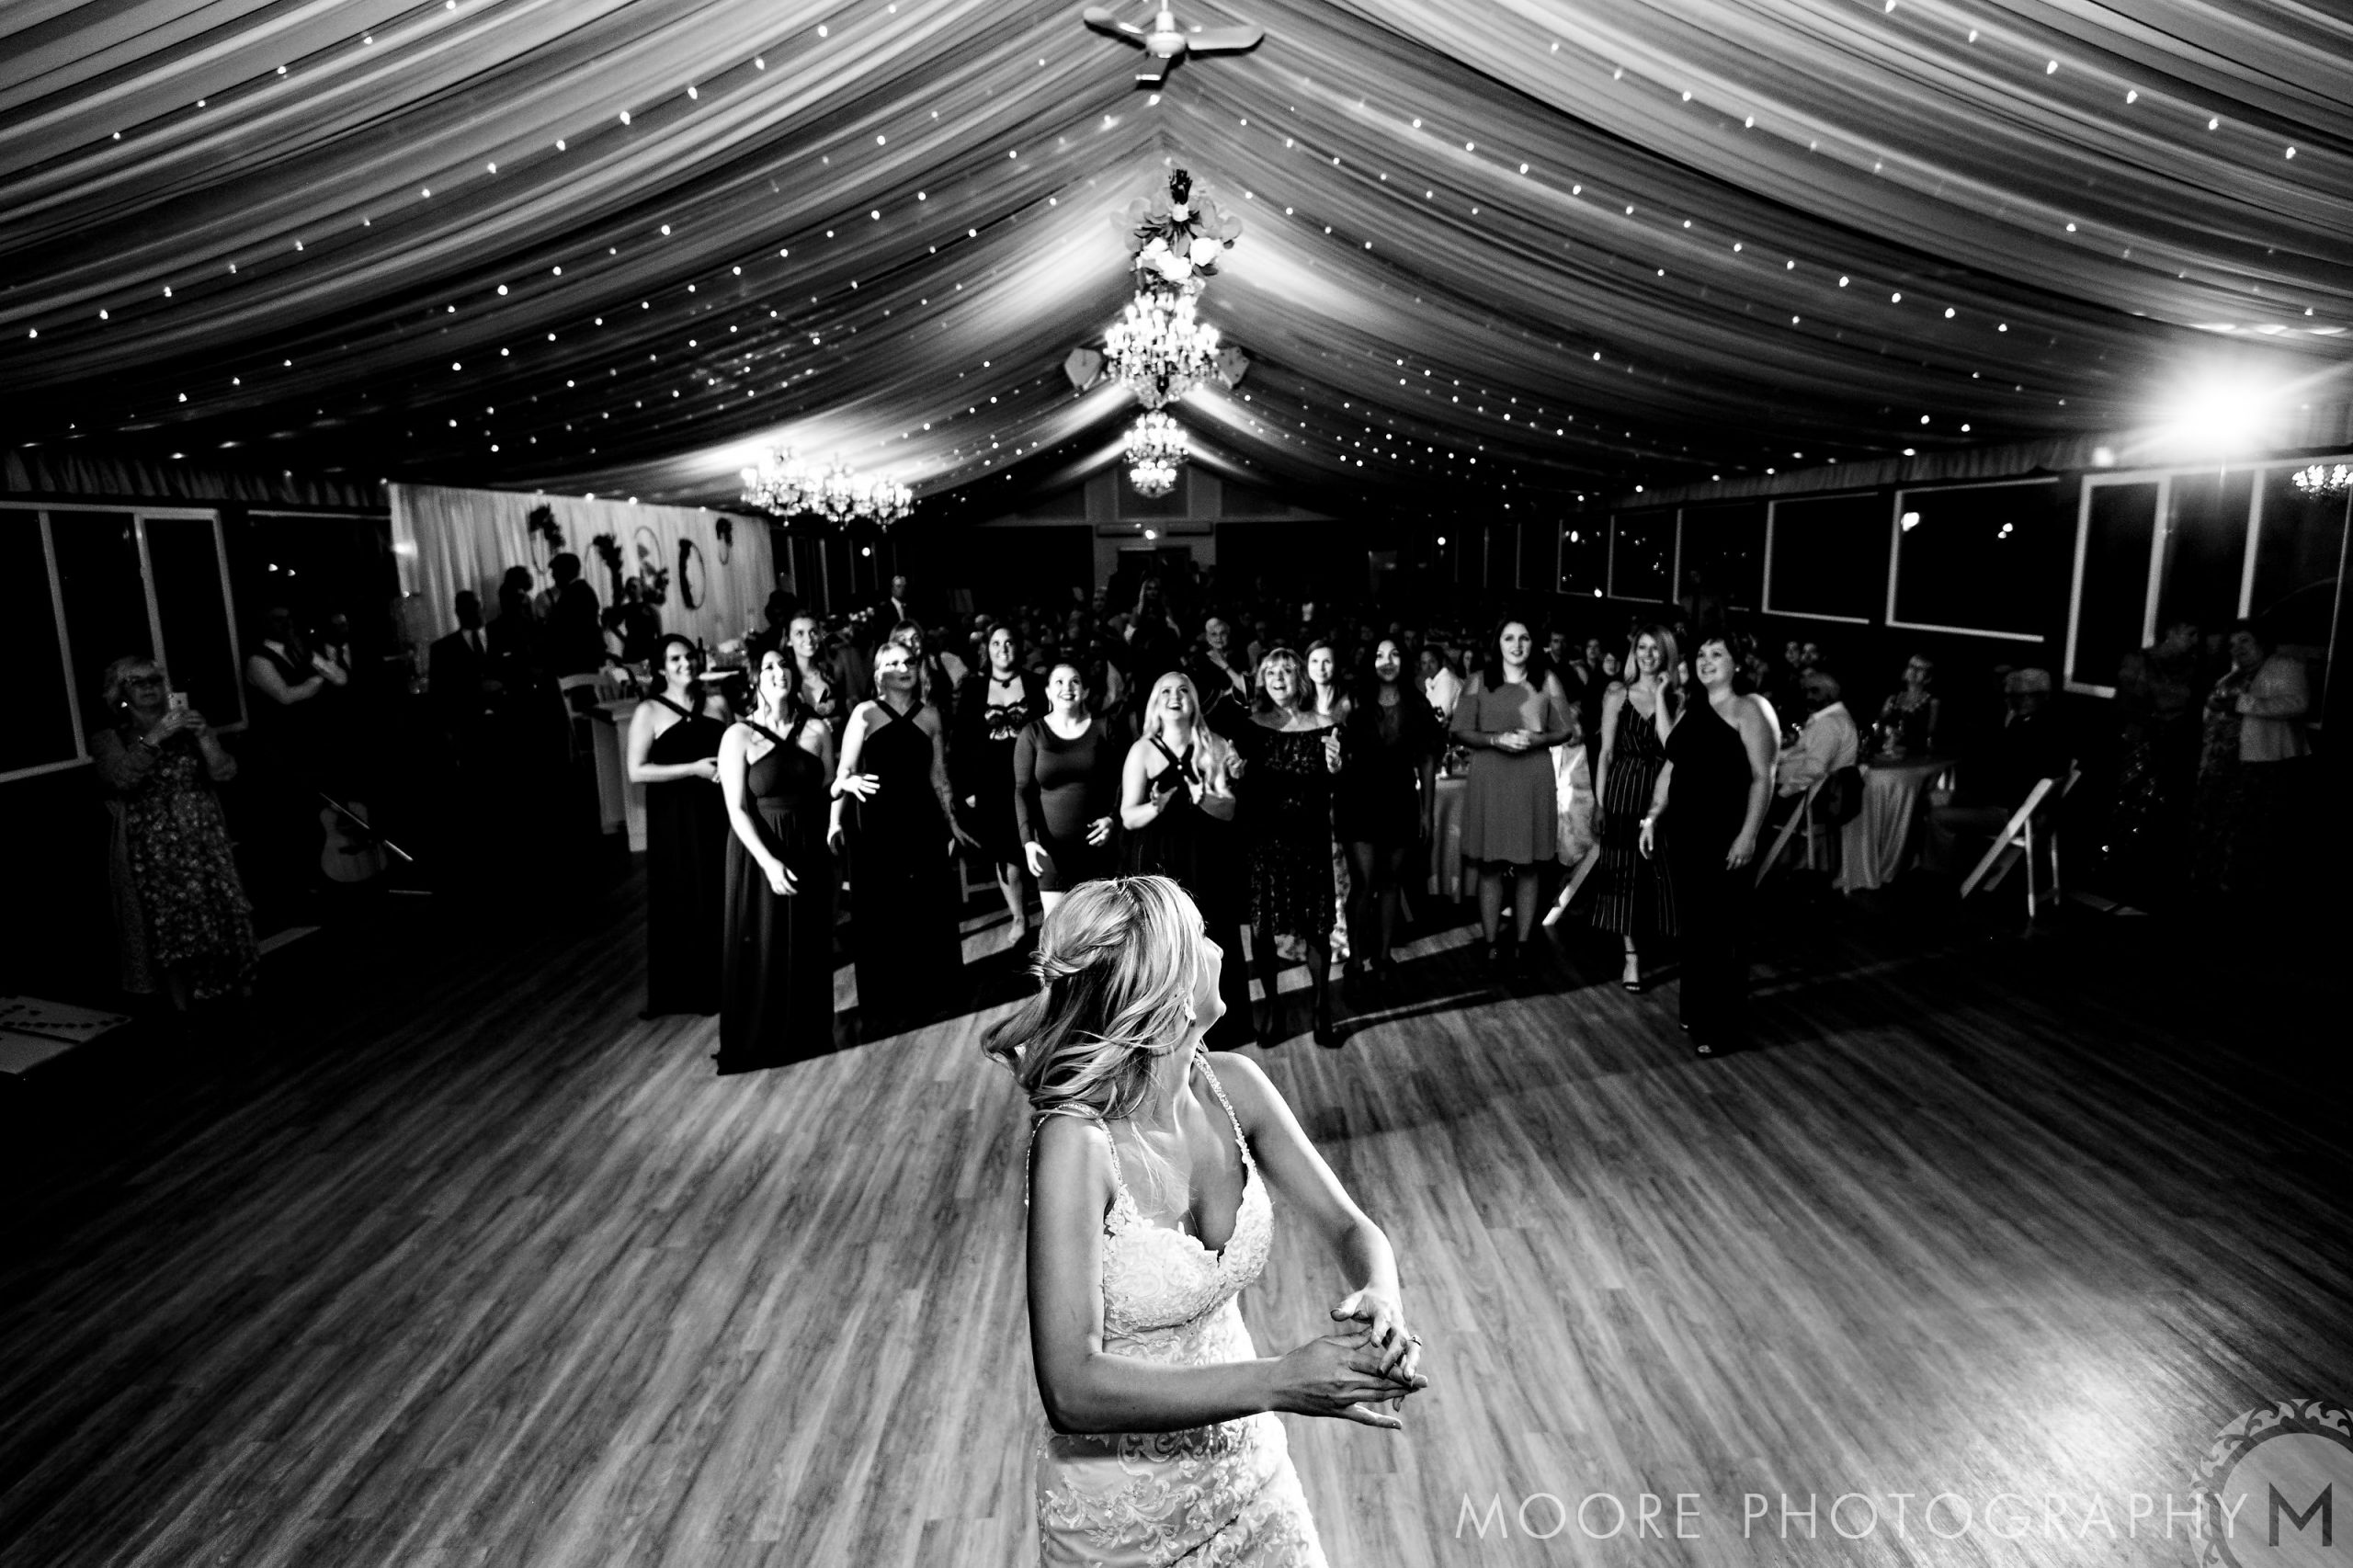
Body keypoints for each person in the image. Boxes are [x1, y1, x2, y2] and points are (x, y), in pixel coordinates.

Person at [986, 876, 1427, 1566]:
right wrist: (1279, 1381)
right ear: (1163, 986)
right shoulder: (1076, 1143)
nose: (1219, 949)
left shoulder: (1235, 1086)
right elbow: (1071, 1389)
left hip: (1253, 1480)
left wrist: (1381, 1294)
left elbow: (1352, 1229)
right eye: (1200, 938)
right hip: (1123, 1525)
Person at [93, 656, 257, 1009]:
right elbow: (120, 778)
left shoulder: (189, 726)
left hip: (202, 831)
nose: (150, 686)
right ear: (121, 693)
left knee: (221, 905)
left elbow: (225, 772)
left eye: (155, 679)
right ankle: (183, 1003)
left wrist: (205, 737)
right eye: (139, 682)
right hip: (153, 843)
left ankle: (237, 985)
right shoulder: (111, 738)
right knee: (170, 918)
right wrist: (154, 738)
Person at [1640, 633, 1778, 1053]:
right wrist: (1653, 815)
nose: (1706, 661)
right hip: (1686, 834)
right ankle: (1696, 1010)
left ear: (1738, 664)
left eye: (1718, 654)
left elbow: (1763, 777)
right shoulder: (1695, 707)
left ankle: (1719, 1027)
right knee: (1696, 928)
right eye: (1701, 654)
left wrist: (1748, 835)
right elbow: (1673, 756)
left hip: (1725, 834)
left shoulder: (1750, 708)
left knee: (1722, 932)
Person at [835, 642, 974, 1034]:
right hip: (877, 825)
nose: (903, 668)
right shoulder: (864, 714)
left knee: (927, 905)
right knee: (884, 909)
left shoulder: (930, 715)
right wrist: (850, 780)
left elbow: (938, 774)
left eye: (909, 662)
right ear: (878, 673)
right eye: (893, 662)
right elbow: (841, 773)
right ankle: (887, 999)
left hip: (921, 821)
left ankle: (933, 992)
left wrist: (951, 821)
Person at [716, 648, 837, 1070]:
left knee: (808, 940)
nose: (778, 672)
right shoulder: (738, 736)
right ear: (755, 680)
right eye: (767, 667)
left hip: (807, 846)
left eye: (784, 665)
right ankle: (763, 1036)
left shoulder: (818, 729)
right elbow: (736, 809)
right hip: (759, 850)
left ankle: (807, 1032)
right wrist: (768, 861)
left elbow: (825, 788)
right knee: (765, 942)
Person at [1121, 672, 1253, 1045]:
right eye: (1165, 691)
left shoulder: (1214, 744)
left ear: (1194, 700)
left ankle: (1226, 1028)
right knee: (1167, 942)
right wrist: (1156, 806)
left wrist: (1201, 799)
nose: (1174, 697)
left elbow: (1229, 810)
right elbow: (1128, 816)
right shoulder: (1142, 751)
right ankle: (1168, 1032)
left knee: (1214, 937)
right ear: (1155, 702)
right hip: (1160, 858)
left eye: (1183, 691)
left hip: (1208, 857)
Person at [1449, 619, 1577, 972]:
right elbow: (1458, 729)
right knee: (1490, 866)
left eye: (1524, 637)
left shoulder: (1547, 679)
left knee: (1528, 867)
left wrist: (1537, 740)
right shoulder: (1478, 679)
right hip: (1490, 776)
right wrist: (1494, 739)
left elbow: (1565, 729)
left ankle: (1522, 943)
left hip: (1532, 776)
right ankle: (1490, 943)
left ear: (1533, 643)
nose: (1517, 644)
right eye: (1509, 637)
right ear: (1498, 642)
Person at [1233, 649, 1343, 1046]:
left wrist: (1335, 769)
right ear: (1262, 680)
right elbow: (1238, 793)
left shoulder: (1326, 725)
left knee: (1317, 929)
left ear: (1301, 679)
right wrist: (1235, 776)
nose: (1279, 677)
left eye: (1287, 670)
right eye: (1271, 671)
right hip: (1265, 843)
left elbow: (1335, 790)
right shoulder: (1247, 728)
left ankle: (1321, 1010)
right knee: (1263, 931)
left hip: (1310, 841)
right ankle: (1274, 1010)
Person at [631, 634, 732, 1018]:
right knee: (682, 893)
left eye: (689, 656)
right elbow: (636, 770)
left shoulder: (718, 704)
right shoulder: (649, 712)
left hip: (716, 812)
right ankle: (686, 989)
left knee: (719, 891)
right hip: (674, 819)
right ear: (660, 668)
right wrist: (692, 769)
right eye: (675, 659)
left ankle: (727, 982)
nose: (685, 664)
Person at [1337, 638, 1442, 979]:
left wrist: (1427, 811)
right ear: (1370, 661)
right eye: (1380, 655)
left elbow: (1427, 760)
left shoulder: (1418, 703)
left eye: (1394, 654)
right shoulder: (1353, 701)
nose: (1387, 661)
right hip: (1359, 799)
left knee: (1392, 881)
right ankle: (1355, 959)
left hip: (1400, 800)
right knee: (1364, 883)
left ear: (1404, 661)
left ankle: (1383, 957)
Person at [1588, 625, 1681, 990]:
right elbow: (1606, 753)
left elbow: (1671, 746)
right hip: (1624, 787)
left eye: (1655, 649)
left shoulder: (1675, 698)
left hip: (1663, 789)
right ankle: (1632, 957)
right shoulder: (1617, 694)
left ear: (1666, 654)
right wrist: (1599, 802)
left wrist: (1660, 694)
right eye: (1642, 647)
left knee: (1661, 869)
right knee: (1624, 871)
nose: (1647, 654)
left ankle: (1663, 939)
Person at [2192, 620, 2310, 903]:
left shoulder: (2283, 666)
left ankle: (2237, 887)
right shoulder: (2232, 676)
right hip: (2221, 763)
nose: (2237, 649)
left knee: (2247, 827)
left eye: (2244, 641)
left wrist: (2242, 704)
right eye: (2232, 645)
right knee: (2214, 821)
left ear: (2261, 641)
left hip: (2259, 762)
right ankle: (2209, 879)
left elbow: (2296, 703)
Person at [1924, 668, 2071, 875]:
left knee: (1938, 816)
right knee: (1941, 801)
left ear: (2031, 697)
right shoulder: (2048, 726)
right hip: (2020, 810)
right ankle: (1961, 868)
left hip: (2011, 813)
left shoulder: (2031, 734)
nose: (2008, 702)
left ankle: (1939, 877)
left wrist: (1957, 798)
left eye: (2013, 696)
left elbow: (2004, 788)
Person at [955, 623, 1048, 948]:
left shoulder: (1036, 685)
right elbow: (962, 742)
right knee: (1005, 852)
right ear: (988, 649)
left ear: (1018, 647)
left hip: (1033, 777)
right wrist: (967, 788)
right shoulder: (974, 690)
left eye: (1009, 642)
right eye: (996, 643)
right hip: (992, 783)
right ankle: (1019, 917)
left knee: (1039, 844)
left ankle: (1052, 918)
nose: (1003, 648)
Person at [1017, 662, 1123, 914]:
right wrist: (1027, 842)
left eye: (1075, 681)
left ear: (1085, 691)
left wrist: (1112, 819)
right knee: (1058, 938)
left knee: (1100, 935)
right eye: (1059, 682)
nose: (1067, 687)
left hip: (1097, 849)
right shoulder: (1032, 733)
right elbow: (1022, 790)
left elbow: (1122, 781)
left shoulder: (1104, 727)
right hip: (1050, 852)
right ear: (1048, 692)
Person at [1776, 668, 1859, 798]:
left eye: (1815, 691)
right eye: (1805, 691)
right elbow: (1802, 752)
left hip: (1807, 796)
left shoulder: (1829, 723)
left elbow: (1814, 769)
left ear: (1831, 693)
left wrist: (1783, 793)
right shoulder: (1832, 719)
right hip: (1805, 791)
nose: (1809, 696)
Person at [542, 551, 605, 676]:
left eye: (555, 571)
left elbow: (564, 629)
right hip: (584, 658)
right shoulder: (581, 590)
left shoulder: (574, 594)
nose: (553, 576)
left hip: (578, 660)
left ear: (564, 571)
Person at [1189, 614, 1254, 733]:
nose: (1219, 637)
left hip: (1238, 716)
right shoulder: (1198, 661)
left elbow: (1246, 689)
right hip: (1211, 719)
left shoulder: (1239, 656)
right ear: (1207, 637)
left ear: (1229, 634)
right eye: (1213, 634)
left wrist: (1224, 665)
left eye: (1223, 633)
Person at [782, 613, 842, 729]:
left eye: (813, 632)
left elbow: (847, 711)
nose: (808, 639)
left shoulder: (832, 671)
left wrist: (834, 721)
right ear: (788, 640)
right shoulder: (784, 677)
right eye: (800, 633)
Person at [1875, 654, 1940, 756]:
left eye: (1921, 668)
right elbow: (1878, 726)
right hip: (1889, 755)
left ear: (1928, 677)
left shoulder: (1932, 702)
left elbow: (1932, 735)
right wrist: (1887, 734)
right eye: (1912, 666)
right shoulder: (1892, 699)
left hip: (1916, 758)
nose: (1914, 670)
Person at [1302, 642, 1348, 723]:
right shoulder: (1300, 702)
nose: (1320, 668)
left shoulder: (1349, 700)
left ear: (1336, 665)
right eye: (1315, 661)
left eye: (1327, 661)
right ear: (1307, 665)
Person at [1417, 644, 1462, 724]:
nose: (1428, 667)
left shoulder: (1447, 680)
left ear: (1441, 661)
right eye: (1424, 663)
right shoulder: (1431, 681)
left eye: (1432, 662)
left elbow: (1438, 718)